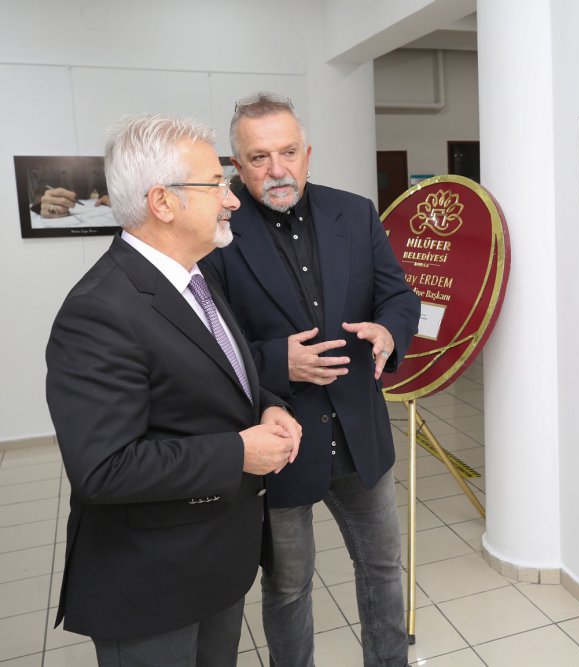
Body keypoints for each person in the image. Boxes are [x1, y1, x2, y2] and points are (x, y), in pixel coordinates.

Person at [45, 114, 303, 667]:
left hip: (216, 562)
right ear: (162, 202)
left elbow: (216, 377)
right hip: (152, 583)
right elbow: (103, 469)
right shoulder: (98, 311)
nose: (232, 199)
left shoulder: (193, 277)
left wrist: (269, 406)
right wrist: (239, 452)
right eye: (216, 184)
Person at [201, 93, 420, 667]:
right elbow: (208, 348)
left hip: (360, 433)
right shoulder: (216, 234)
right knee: (289, 587)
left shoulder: (356, 212)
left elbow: (399, 295)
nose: (278, 169)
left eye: (289, 152)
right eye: (260, 157)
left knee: (382, 570)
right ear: (237, 164)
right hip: (282, 442)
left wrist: (389, 330)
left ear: (308, 153)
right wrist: (279, 362)